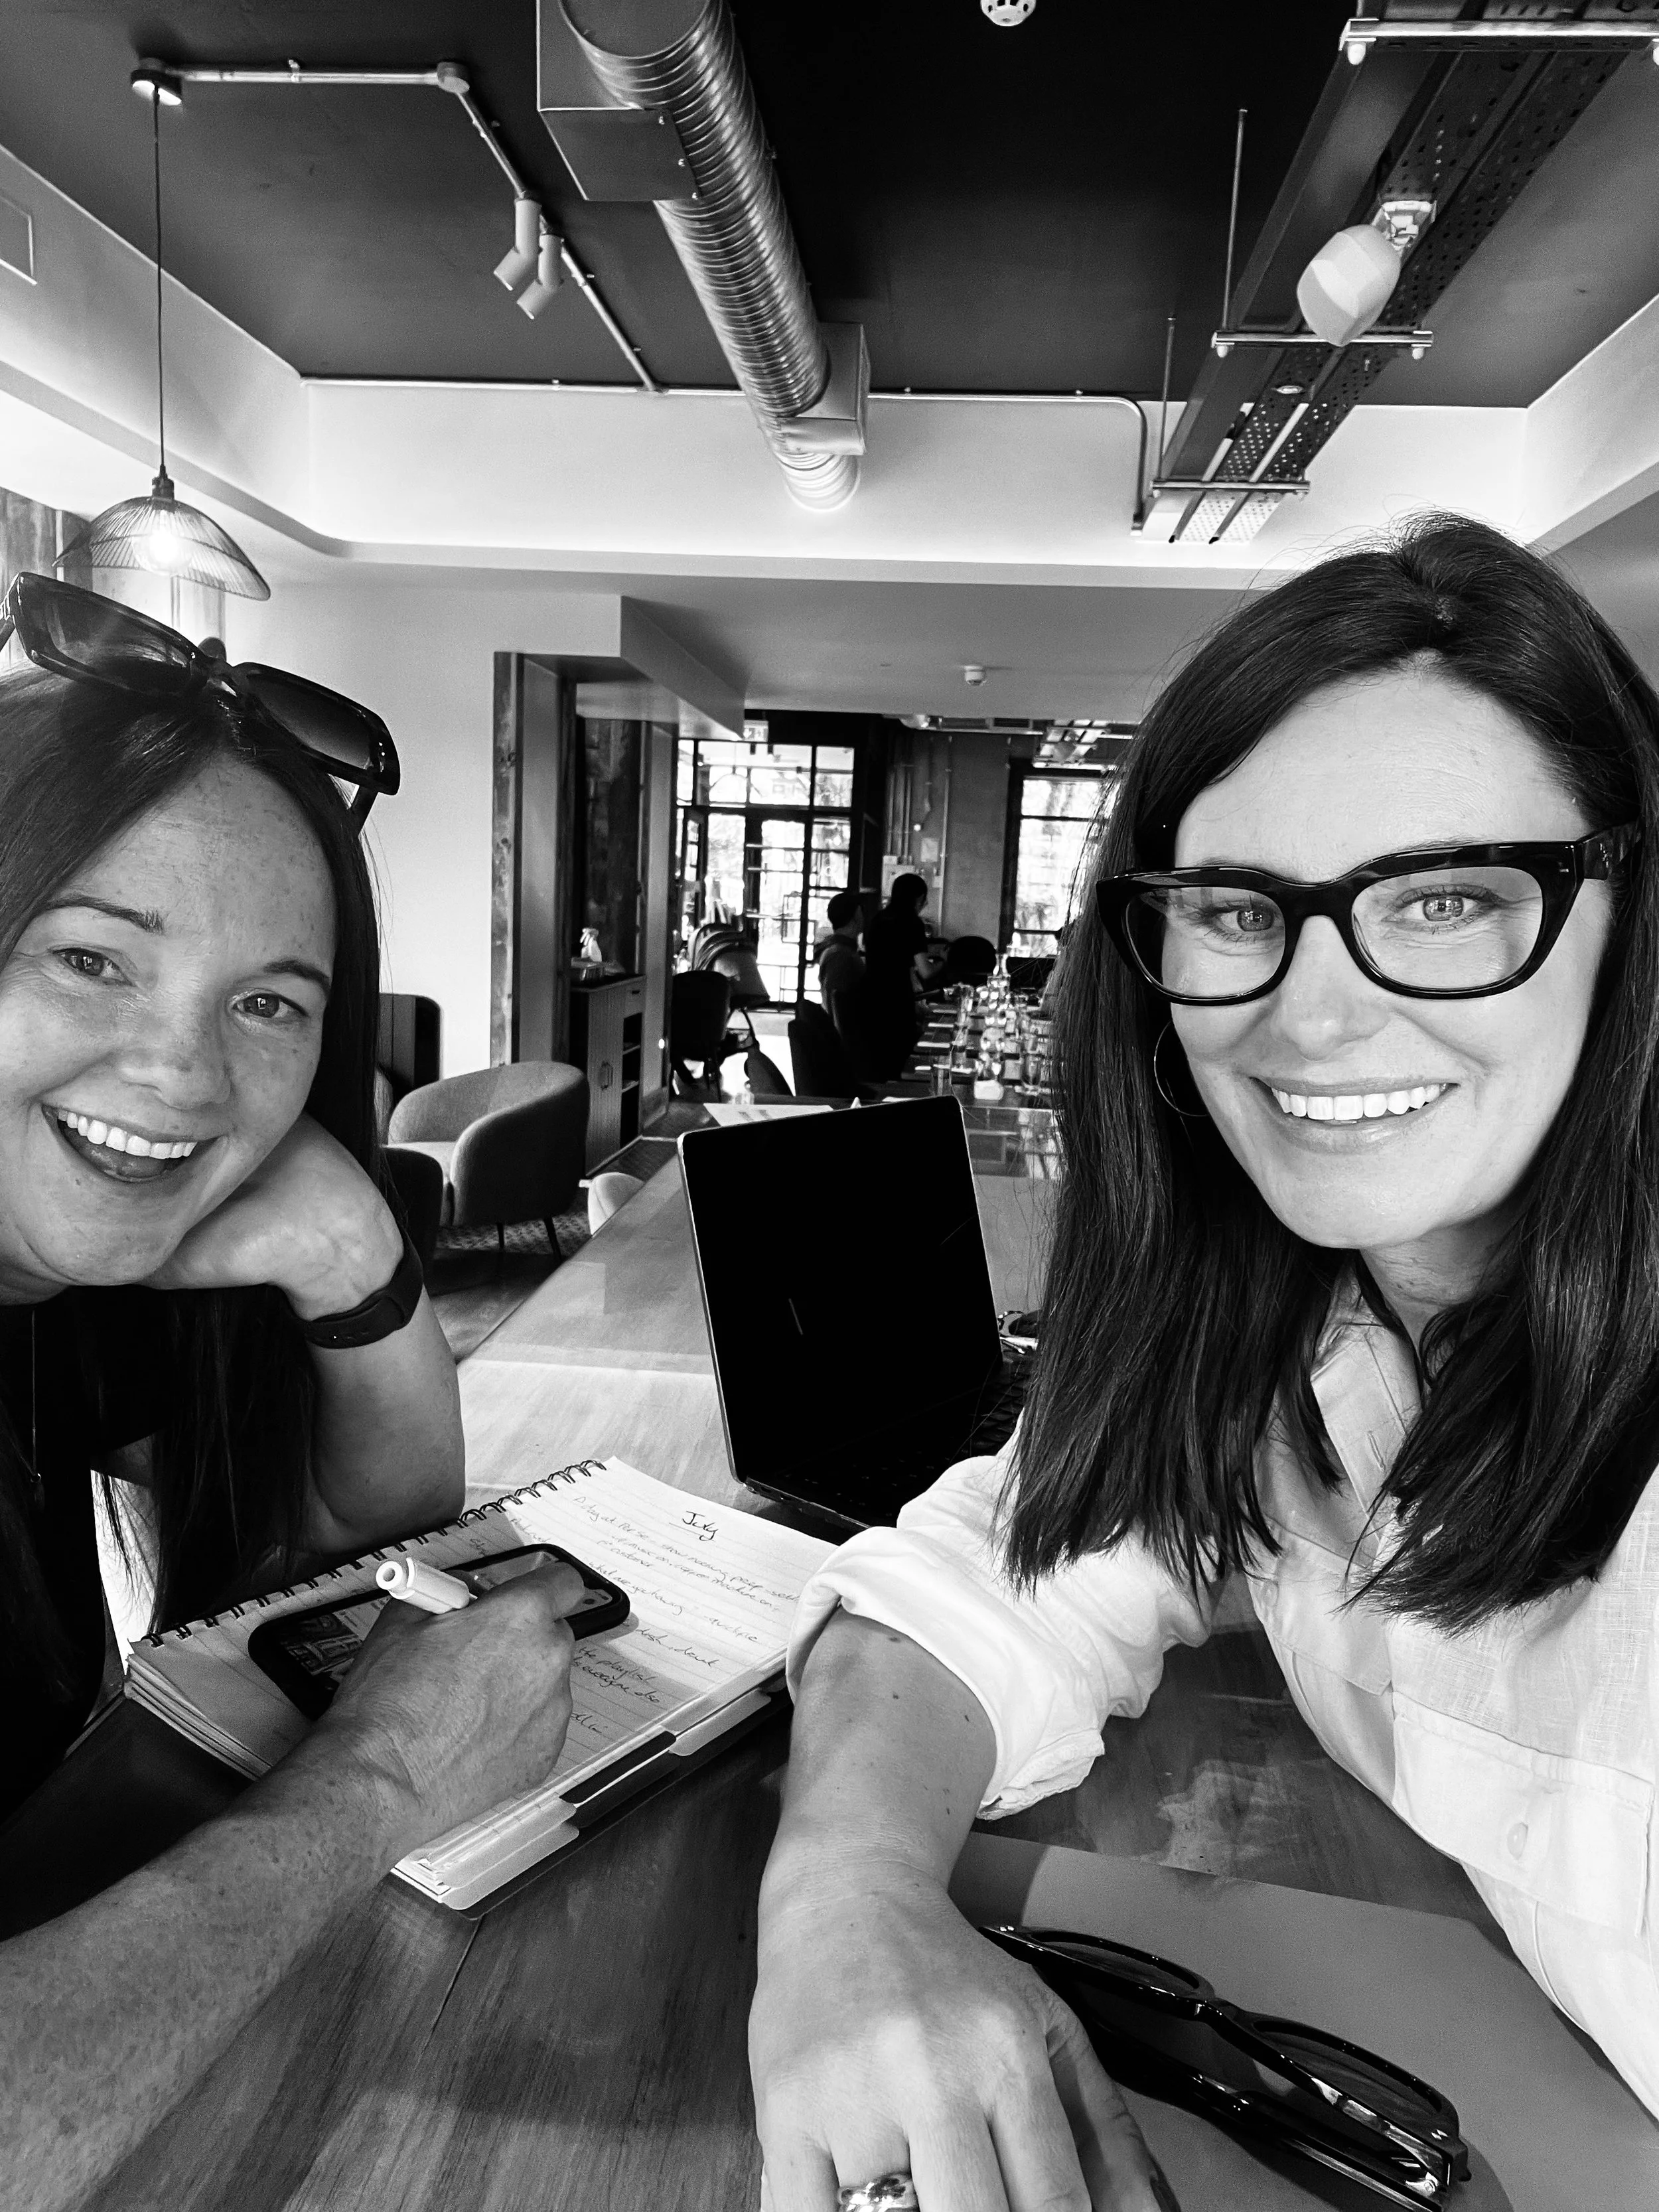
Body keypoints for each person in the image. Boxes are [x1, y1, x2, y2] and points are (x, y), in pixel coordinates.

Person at [749, 516, 1659, 2211]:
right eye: (1239, 908)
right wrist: (845, 1900)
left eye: (1451, 897)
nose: (1310, 1016)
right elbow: (991, 1577)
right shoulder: (1279, 1337)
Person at [0, 575, 583, 2210]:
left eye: (267, 1004)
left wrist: (353, 1258)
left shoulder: (55, 1280)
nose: (186, 1074)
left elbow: (358, 1531)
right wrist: (385, 1783)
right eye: (91, 958)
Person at [861, 874, 934, 1077]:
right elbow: (926, 971)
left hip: (871, 1001)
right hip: (897, 1004)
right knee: (901, 1062)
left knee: (883, 1065)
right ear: (918, 898)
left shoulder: (877, 919)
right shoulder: (913, 923)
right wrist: (944, 962)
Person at [815, 889, 865, 1017]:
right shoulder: (841, 955)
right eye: (861, 913)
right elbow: (838, 1005)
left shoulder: (836, 949)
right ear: (855, 917)